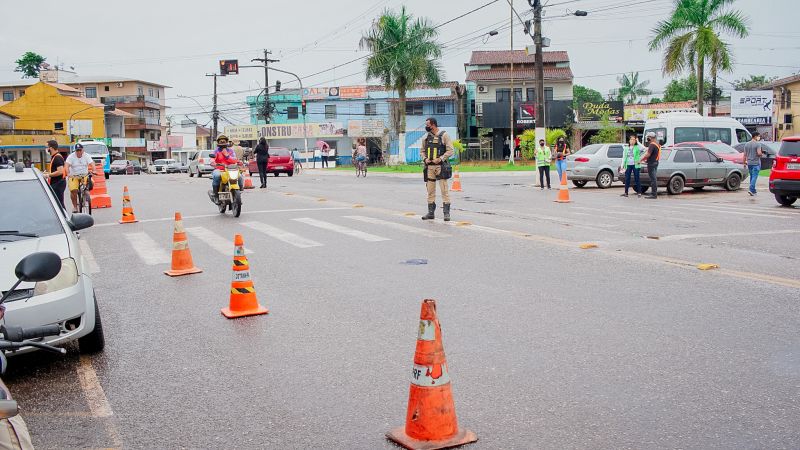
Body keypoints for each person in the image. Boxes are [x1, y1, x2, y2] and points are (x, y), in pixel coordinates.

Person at [420, 117, 454, 221]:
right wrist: (425, 159)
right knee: (430, 190)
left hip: (441, 167)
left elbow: (451, 150)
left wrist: (440, 158)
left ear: (433, 125)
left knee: (444, 190)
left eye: (428, 125)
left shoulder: (444, 135)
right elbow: (422, 151)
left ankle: (446, 213)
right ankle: (431, 213)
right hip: (429, 167)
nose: (426, 127)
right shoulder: (425, 138)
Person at [210, 135, 244, 202]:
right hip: (219, 169)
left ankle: (239, 193)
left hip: (230, 169)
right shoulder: (216, 151)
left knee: (239, 176)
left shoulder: (231, 151)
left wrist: (227, 156)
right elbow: (212, 159)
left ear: (227, 142)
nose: (222, 142)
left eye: (224, 141)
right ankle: (216, 195)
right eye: (221, 141)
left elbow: (234, 159)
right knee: (217, 176)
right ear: (218, 142)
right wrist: (213, 162)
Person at [65, 143, 95, 212]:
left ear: (83, 150)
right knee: (73, 191)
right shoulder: (71, 157)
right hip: (74, 176)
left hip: (84, 175)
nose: (78, 152)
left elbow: (92, 163)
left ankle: (85, 195)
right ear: (75, 151)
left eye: (80, 150)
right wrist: (68, 173)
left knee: (92, 183)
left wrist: (94, 170)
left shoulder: (86, 156)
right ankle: (75, 207)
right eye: (77, 150)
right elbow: (66, 165)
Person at [44, 140, 66, 210]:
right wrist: (48, 173)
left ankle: (65, 218)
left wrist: (48, 175)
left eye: (47, 147)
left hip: (58, 183)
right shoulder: (54, 157)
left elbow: (60, 171)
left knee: (59, 203)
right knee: (57, 203)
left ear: (51, 148)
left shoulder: (57, 157)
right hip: (56, 183)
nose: (46, 149)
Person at [639, 131, 661, 199]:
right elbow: (654, 155)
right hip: (655, 162)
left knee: (653, 179)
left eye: (648, 137)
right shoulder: (657, 144)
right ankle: (654, 194)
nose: (647, 139)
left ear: (651, 137)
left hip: (652, 164)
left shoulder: (652, 144)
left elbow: (648, 154)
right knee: (654, 179)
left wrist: (641, 160)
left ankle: (654, 194)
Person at [743, 132, 765, 196]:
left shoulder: (747, 144)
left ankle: (753, 191)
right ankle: (751, 189)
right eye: (758, 136)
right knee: (754, 177)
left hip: (749, 163)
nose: (759, 137)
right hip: (756, 163)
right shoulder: (758, 144)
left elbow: (744, 155)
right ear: (755, 136)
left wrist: (744, 162)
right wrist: (762, 153)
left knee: (752, 177)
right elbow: (759, 153)